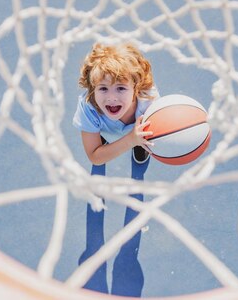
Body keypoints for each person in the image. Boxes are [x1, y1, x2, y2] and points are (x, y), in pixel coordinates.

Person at [73, 42, 159, 297]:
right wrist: (129, 139)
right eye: (103, 88)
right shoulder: (89, 108)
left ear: (136, 88)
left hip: (139, 130)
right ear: (92, 90)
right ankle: (132, 143)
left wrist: (140, 140)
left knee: (141, 141)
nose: (111, 97)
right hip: (111, 135)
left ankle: (138, 146)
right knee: (102, 154)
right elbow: (95, 157)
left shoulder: (151, 104)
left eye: (121, 88)